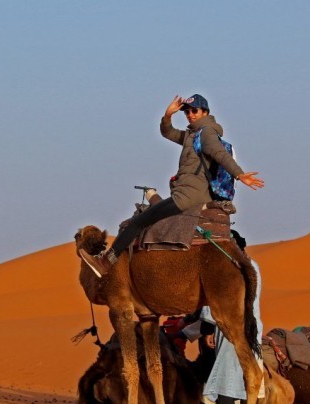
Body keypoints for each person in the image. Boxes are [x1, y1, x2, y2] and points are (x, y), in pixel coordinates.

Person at [80, 94, 264, 278]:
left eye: (194, 111)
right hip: (188, 193)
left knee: (138, 222)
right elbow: (168, 132)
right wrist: (168, 115)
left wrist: (239, 174)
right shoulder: (192, 135)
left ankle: (105, 264)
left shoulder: (206, 133)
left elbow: (218, 153)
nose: (190, 115)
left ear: (205, 112)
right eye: (187, 112)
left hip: (188, 196)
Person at [184, 230, 265, 404]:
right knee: (248, 367)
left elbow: (214, 301)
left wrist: (207, 328)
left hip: (230, 324)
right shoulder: (252, 266)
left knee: (226, 369)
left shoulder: (229, 267)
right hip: (252, 325)